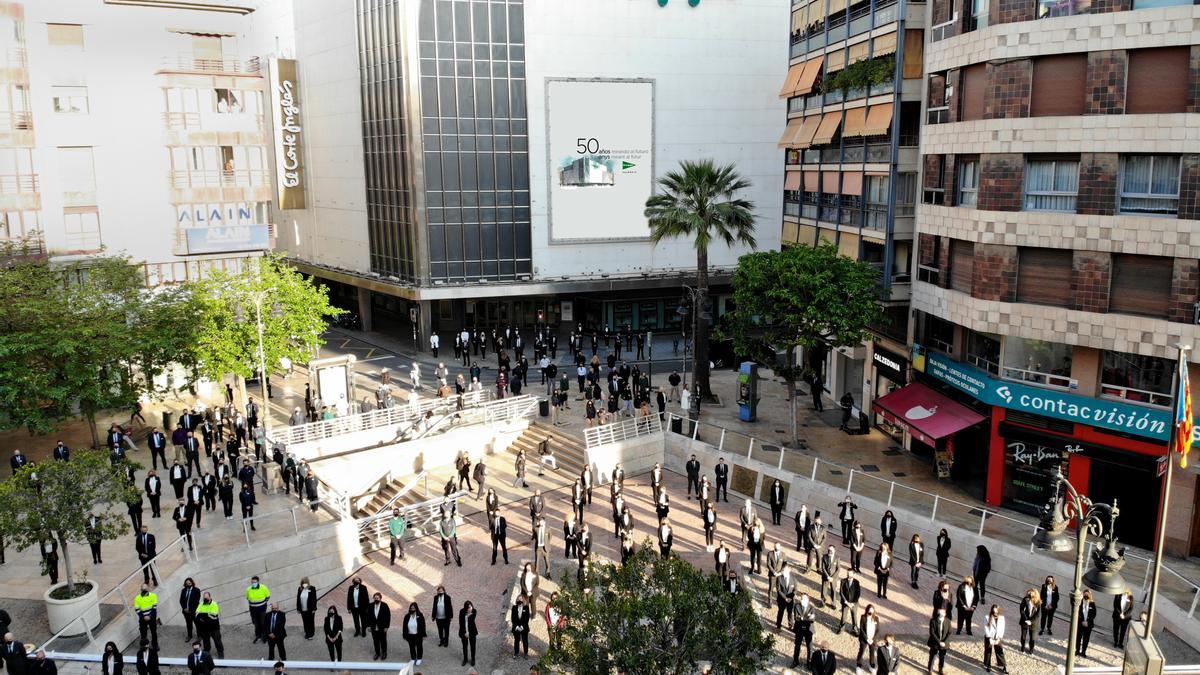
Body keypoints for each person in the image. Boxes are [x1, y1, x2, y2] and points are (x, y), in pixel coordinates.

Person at [195, 591, 224, 658]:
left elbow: (214, 616)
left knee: (217, 641)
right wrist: (206, 615)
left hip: (214, 628)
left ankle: (220, 652)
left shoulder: (214, 604)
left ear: (210, 597)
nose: (205, 599)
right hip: (205, 628)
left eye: (207, 598)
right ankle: (206, 652)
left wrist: (202, 616)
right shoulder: (201, 604)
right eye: (204, 598)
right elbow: (197, 614)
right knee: (206, 642)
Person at [982, 604, 1008, 673]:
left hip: (997, 638)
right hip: (989, 637)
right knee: (988, 651)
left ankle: (1004, 666)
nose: (995, 613)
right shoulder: (987, 617)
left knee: (1000, 651)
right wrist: (989, 638)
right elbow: (986, 628)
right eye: (994, 612)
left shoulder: (1002, 618)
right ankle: (988, 665)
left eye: (996, 612)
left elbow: (1002, 629)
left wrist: (999, 638)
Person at [792, 593, 815, 665]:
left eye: (804, 599)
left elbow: (812, 619)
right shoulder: (797, 606)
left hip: (809, 629)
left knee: (810, 647)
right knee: (797, 645)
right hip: (799, 628)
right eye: (801, 598)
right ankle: (795, 660)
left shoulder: (812, 607)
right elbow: (796, 618)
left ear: (808, 600)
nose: (802, 600)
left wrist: (802, 618)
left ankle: (809, 662)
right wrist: (807, 617)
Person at [134, 585, 159, 649]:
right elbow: (137, 609)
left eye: (145, 589)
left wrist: (149, 616)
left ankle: (155, 644)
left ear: (148, 589)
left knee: (153, 632)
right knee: (143, 633)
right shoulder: (137, 598)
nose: (144, 591)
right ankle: (144, 645)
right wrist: (143, 617)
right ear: (141, 590)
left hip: (152, 617)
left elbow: (154, 607)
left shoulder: (153, 595)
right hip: (143, 618)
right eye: (143, 590)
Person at [247, 576, 271, 643]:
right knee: (256, 624)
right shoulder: (249, 589)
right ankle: (258, 636)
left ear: (258, 582)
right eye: (252, 582)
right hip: (253, 610)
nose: (253, 583)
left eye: (254, 582)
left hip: (262, 609)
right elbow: (248, 598)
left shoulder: (263, 588)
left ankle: (264, 636)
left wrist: (262, 604)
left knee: (263, 623)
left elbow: (268, 597)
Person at [927, 607, 951, 674]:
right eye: (940, 612)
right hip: (934, 642)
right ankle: (930, 669)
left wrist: (944, 642)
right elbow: (932, 632)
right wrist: (939, 642)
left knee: (942, 657)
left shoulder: (948, 621)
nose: (942, 613)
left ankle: (941, 669)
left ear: (945, 613)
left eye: (943, 612)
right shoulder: (933, 621)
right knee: (932, 656)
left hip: (944, 643)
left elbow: (949, 632)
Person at [367, 592, 390, 660]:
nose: (376, 599)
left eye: (377, 598)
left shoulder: (384, 605)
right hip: (373, 627)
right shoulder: (370, 605)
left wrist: (386, 626)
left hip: (382, 627)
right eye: (375, 598)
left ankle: (384, 652)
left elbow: (388, 616)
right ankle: (377, 653)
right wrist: (368, 626)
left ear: (380, 598)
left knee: (383, 640)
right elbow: (368, 616)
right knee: (375, 640)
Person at [839, 568, 862, 634]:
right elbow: (841, 592)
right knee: (843, 616)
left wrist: (853, 603)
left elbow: (858, 594)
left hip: (854, 603)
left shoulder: (857, 582)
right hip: (845, 602)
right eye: (848, 573)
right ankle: (841, 628)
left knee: (854, 616)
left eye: (850, 574)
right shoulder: (843, 581)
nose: (848, 575)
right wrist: (846, 602)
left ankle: (855, 629)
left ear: (853, 574)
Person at [1018, 588, 1041, 654]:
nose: (1030, 596)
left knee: (1032, 637)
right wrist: (1026, 620)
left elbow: (1038, 615)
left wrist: (1031, 621)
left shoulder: (1038, 603)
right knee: (1023, 636)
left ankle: (1031, 649)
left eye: (1031, 595)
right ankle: (1022, 647)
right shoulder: (1025, 599)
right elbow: (1021, 610)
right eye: (1029, 594)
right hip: (1025, 620)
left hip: (1033, 622)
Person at [857, 604, 879, 670]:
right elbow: (861, 629)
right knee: (861, 651)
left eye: (872, 612)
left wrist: (873, 639)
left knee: (872, 652)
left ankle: (872, 664)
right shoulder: (863, 617)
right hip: (864, 639)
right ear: (867, 611)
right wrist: (867, 639)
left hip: (873, 640)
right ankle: (859, 664)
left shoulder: (876, 618)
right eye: (869, 611)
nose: (870, 613)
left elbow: (878, 630)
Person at [458, 600, 478, 667]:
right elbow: (461, 622)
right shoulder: (462, 611)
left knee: (473, 646)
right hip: (464, 632)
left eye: (471, 607)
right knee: (464, 646)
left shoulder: (474, 611)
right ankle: (465, 659)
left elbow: (471, 622)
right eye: (469, 608)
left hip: (472, 632)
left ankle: (473, 659)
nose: (470, 609)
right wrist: (464, 633)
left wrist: (467, 616)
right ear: (465, 608)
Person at [766, 542, 786, 608]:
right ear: (774, 547)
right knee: (771, 588)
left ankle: (779, 600)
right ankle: (770, 601)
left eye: (778, 547)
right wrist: (774, 572)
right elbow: (768, 564)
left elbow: (785, 564)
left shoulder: (783, 554)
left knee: (779, 589)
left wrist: (780, 572)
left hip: (780, 575)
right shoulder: (770, 554)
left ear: (780, 547)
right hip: (772, 575)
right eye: (776, 546)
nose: (777, 548)